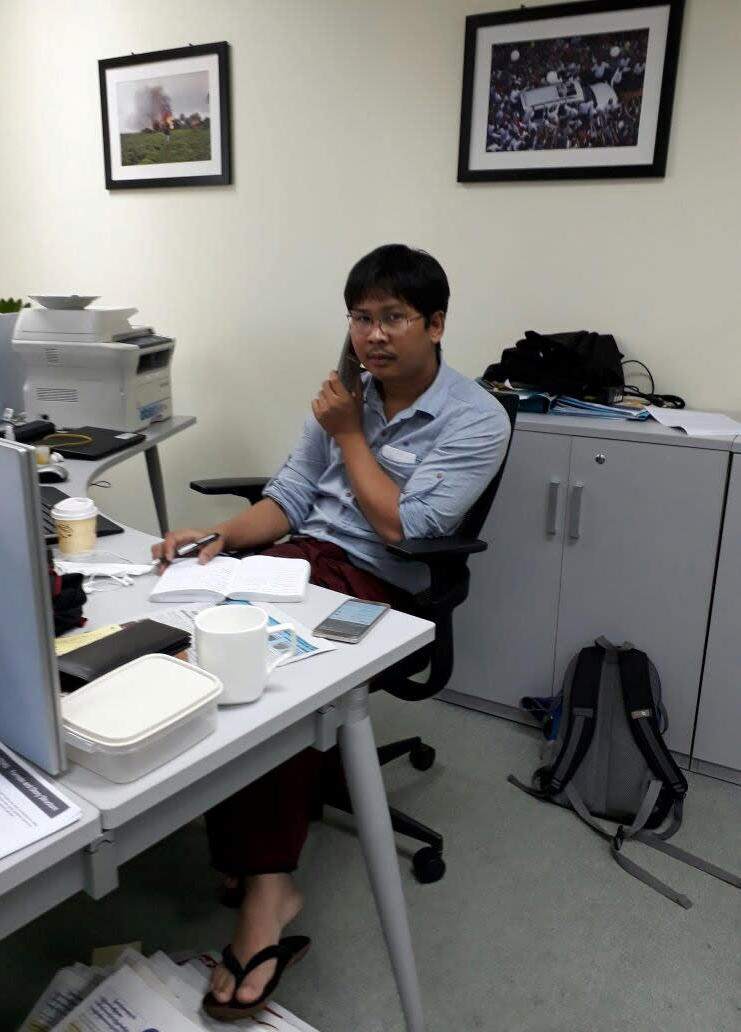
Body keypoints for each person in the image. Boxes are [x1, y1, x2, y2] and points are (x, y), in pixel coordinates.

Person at [151, 243, 511, 1021]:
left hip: (384, 587)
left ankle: (268, 896)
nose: (373, 336)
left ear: (436, 324)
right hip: (297, 564)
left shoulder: (477, 418)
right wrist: (218, 537)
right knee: (200, 636)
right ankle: (255, 848)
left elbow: (407, 528)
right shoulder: (345, 393)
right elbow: (285, 496)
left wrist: (350, 434)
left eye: (393, 318)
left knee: (273, 684)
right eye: (360, 317)